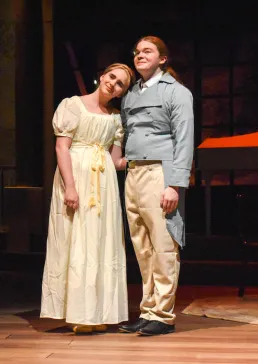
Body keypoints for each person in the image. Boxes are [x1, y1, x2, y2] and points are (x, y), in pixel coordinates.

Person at [40, 63, 135, 333]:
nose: (113, 84)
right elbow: (62, 148)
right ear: (102, 76)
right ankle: (79, 314)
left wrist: (147, 158)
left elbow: (116, 161)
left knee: (101, 242)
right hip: (77, 176)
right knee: (77, 239)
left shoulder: (116, 118)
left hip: (104, 184)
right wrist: (70, 187)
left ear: (121, 93)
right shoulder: (73, 105)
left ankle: (99, 311)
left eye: (120, 84)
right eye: (112, 77)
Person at [119, 36, 194, 336]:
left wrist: (175, 184)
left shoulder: (177, 93)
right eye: (136, 51)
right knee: (142, 246)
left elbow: (185, 139)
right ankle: (148, 310)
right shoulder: (131, 94)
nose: (139, 55)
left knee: (163, 245)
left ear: (163, 59)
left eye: (147, 51)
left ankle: (163, 315)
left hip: (161, 173)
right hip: (134, 174)